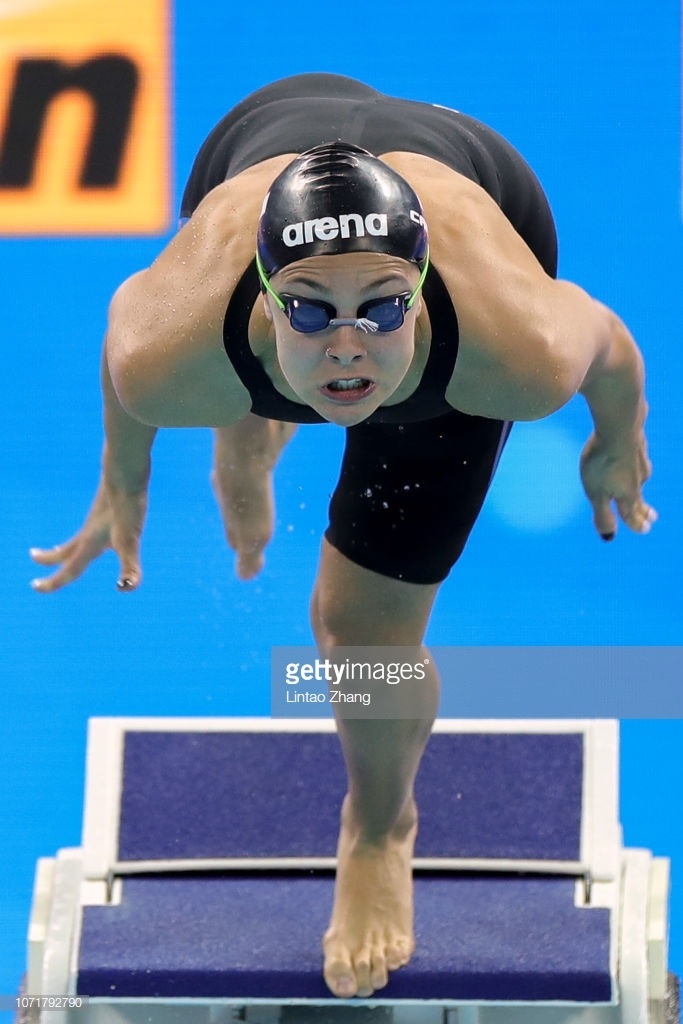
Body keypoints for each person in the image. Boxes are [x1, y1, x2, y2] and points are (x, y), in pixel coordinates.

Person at [29, 73, 655, 999]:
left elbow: (603, 337)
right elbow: (129, 334)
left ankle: (377, 828)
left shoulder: (507, 347)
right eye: (311, 312)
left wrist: (617, 437)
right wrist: (122, 482)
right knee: (227, 383)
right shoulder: (172, 350)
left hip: (474, 184)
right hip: (268, 129)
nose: (350, 344)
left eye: (384, 307)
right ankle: (248, 436)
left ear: (424, 287)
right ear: (266, 295)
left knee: (362, 638)